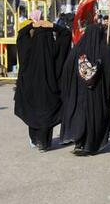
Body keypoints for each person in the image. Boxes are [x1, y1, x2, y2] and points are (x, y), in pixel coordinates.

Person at [15, 19, 71, 152]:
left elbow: (21, 35)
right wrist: (52, 26)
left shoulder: (28, 48)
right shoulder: (54, 49)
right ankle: (44, 142)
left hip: (31, 89)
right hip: (50, 89)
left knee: (33, 113)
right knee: (47, 114)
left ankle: (35, 139)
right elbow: (66, 34)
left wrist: (31, 25)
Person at [60, 24, 110, 156]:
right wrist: (106, 92)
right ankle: (91, 144)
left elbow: (67, 72)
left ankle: (79, 142)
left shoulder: (77, 50)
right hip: (97, 95)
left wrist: (71, 89)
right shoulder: (106, 52)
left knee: (80, 115)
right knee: (96, 117)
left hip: (78, 94)